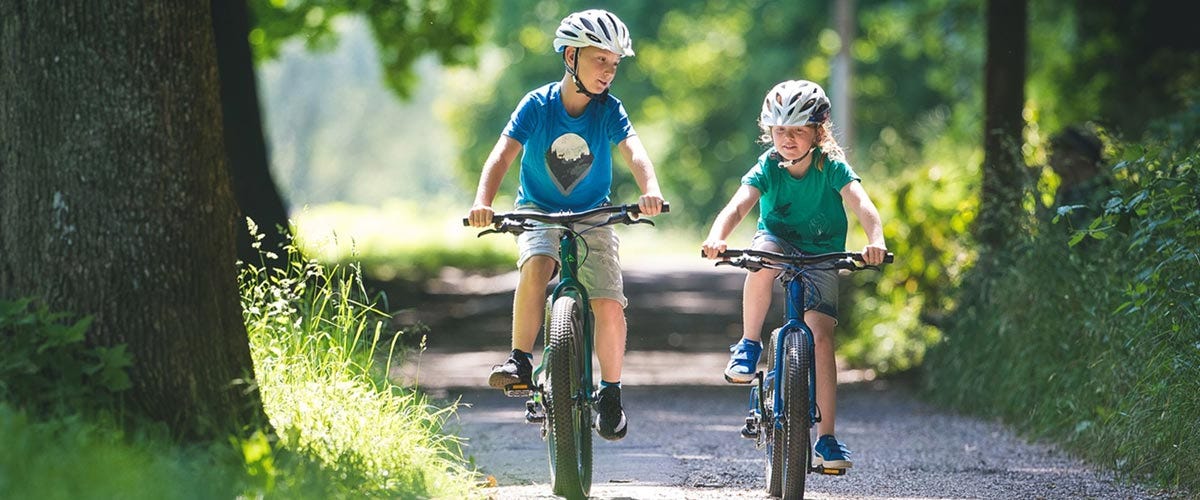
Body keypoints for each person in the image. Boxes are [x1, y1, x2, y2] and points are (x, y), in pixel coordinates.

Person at [464, 9, 665, 442]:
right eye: (599, 61)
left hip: (594, 214)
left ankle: (610, 394)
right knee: (537, 265)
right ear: (571, 56)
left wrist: (650, 189)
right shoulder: (537, 105)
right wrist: (483, 202)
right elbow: (502, 155)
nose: (608, 72)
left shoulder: (609, 110)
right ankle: (519, 358)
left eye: (614, 64)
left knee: (608, 302)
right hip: (537, 208)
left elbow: (635, 152)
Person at [700, 80, 887, 469]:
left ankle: (828, 438)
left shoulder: (831, 166)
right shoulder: (768, 165)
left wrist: (876, 239)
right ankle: (749, 344)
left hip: (823, 252)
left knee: (821, 336)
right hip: (777, 241)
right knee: (760, 257)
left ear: (818, 132)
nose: (787, 138)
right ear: (769, 130)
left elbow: (861, 203)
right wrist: (718, 236)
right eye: (780, 130)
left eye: (798, 130)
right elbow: (739, 206)